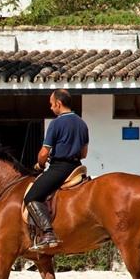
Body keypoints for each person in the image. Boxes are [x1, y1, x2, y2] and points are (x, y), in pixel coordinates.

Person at [24, 89, 89, 250]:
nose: (51, 107)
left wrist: (39, 165)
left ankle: (48, 233)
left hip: (60, 168)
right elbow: (84, 153)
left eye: (52, 104)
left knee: (31, 196)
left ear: (59, 104)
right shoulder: (82, 123)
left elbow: (43, 153)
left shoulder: (56, 123)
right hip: (77, 167)